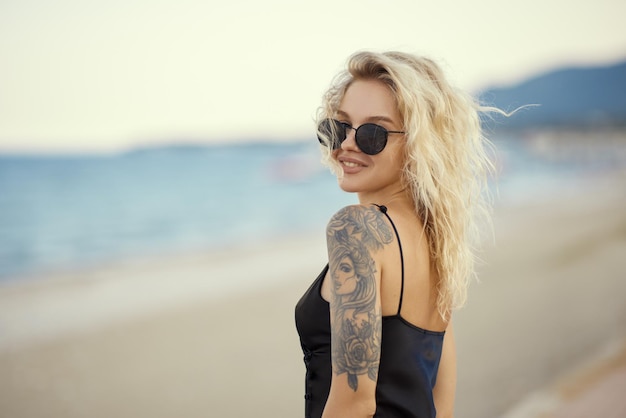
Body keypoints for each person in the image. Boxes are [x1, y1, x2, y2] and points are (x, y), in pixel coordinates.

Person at [295, 50, 498, 418]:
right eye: (339, 126)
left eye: (373, 132)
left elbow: (355, 402)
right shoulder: (436, 241)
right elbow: (440, 401)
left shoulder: (356, 230)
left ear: (419, 143)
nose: (348, 144)